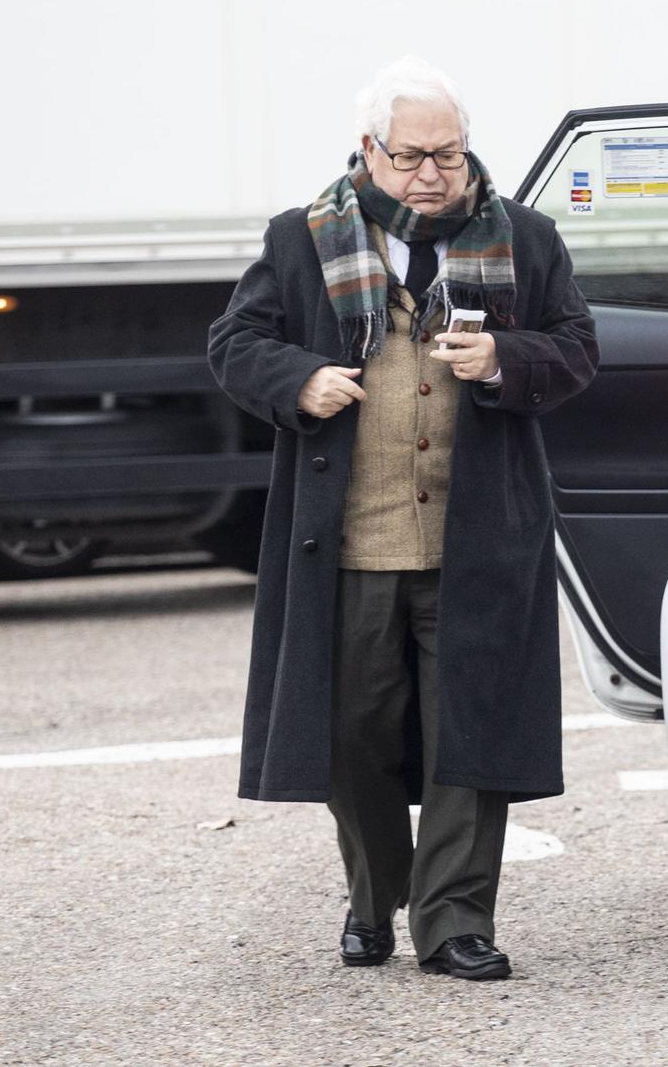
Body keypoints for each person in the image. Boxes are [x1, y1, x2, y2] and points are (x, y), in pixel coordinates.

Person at [208, 57, 599, 979]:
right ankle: (374, 891)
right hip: (350, 540)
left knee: (474, 730)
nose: (432, 173)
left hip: (479, 539)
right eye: (413, 155)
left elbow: (578, 348)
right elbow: (235, 342)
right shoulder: (303, 239)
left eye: (450, 155)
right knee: (353, 735)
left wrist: (504, 354)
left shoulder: (527, 240)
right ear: (369, 153)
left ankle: (456, 921)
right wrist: (297, 378)